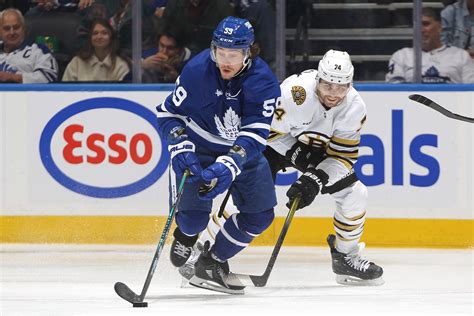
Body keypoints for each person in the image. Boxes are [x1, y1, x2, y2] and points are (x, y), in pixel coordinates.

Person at [180, 49, 384, 287]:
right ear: (318, 79)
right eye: (328, 86)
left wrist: (315, 179)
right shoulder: (293, 93)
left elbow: (343, 155)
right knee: (244, 201)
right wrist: (296, 153)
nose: (334, 94)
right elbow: (265, 131)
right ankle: (200, 251)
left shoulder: (354, 107)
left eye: (341, 88)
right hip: (273, 145)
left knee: (355, 193)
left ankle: (345, 257)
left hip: (317, 156)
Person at [155, 16, 280, 294]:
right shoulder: (197, 70)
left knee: (259, 216)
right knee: (192, 221)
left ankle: (211, 262)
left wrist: (230, 162)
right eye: (220, 52)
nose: (225, 60)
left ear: (248, 52)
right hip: (199, 147)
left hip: (244, 153)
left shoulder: (263, 81)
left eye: (233, 54)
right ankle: (186, 236)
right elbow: (167, 113)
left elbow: (256, 134)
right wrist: (179, 144)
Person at [386, 7, 474, 83]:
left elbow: (470, 91)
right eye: (417, 25)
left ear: (439, 27)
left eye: (425, 24)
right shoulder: (401, 56)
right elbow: (395, 90)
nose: (421, 30)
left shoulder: (461, 55)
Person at [0, 8, 58, 83]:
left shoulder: (39, 50)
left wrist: (14, 77)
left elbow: (49, 77)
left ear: (24, 29)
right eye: (6, 29)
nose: (12, 32)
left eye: (16, 27)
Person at [62, 18, 130, 82]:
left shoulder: (121, 65)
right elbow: (65, 91)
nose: (99, 37)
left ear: (111, 37)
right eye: (95, 33)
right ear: (90, 38)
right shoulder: (77, 62)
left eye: (104, 33)